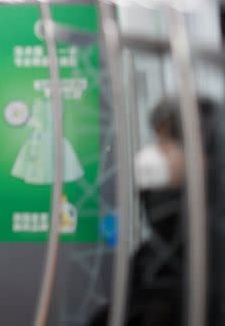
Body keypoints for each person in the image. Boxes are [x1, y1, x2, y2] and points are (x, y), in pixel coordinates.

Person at [88, 97, 222, 326]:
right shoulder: (162, 242)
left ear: (203, 155)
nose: (152, 155)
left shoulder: (210, 245)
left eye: (165, 144)